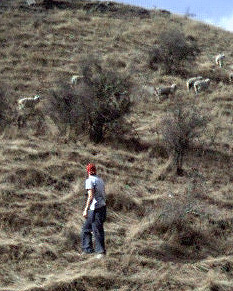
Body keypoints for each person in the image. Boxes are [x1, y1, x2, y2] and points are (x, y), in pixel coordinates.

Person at [81, 163, 106, 258]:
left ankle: (100, 252)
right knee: (86, 229)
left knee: (97, 230)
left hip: (95, 208)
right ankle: (87, 250)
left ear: (88, 171)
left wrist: (85, 209)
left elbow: (90, 196)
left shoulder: (90, 181)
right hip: (102, 207)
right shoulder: (100, 180)